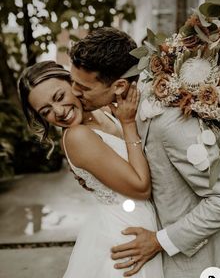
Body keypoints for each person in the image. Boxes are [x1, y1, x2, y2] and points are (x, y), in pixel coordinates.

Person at [69, 27, 220, 278]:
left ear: (119, 86)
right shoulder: (121, 111)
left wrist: (160, 241)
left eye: (83, 88)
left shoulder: (168, 120)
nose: (74, 92)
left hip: (193, 268)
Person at [18, 60, 164, 278]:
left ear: (73, 83)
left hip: (145, 222)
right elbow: (141, 188)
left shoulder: (103, 111)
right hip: (126, 233)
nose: (58, 111)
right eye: (46, 111)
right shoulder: (78, 136)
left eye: (59, 97)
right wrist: (128, 124)